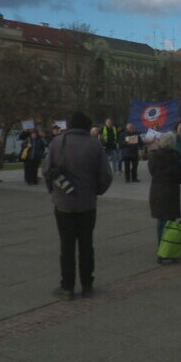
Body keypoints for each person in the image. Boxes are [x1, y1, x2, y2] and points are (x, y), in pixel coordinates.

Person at [42, 111, 113, 301]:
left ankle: (67, 286)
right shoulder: (94, 144)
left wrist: (54, 191)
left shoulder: (57, 143)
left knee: (66, 246)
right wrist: (96, 191)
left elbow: (46, 170)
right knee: (86, 244)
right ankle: (87, 285)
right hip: (87, 204)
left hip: (63, 203)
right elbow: (106, 175)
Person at [149, 132, 181, 264]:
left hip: (157, 190)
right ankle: (169, 249)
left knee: (160, 222)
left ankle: (161, 249)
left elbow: (152, 171)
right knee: (170, 223)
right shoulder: (174, 158)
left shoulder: (154, 156)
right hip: (170, 191)